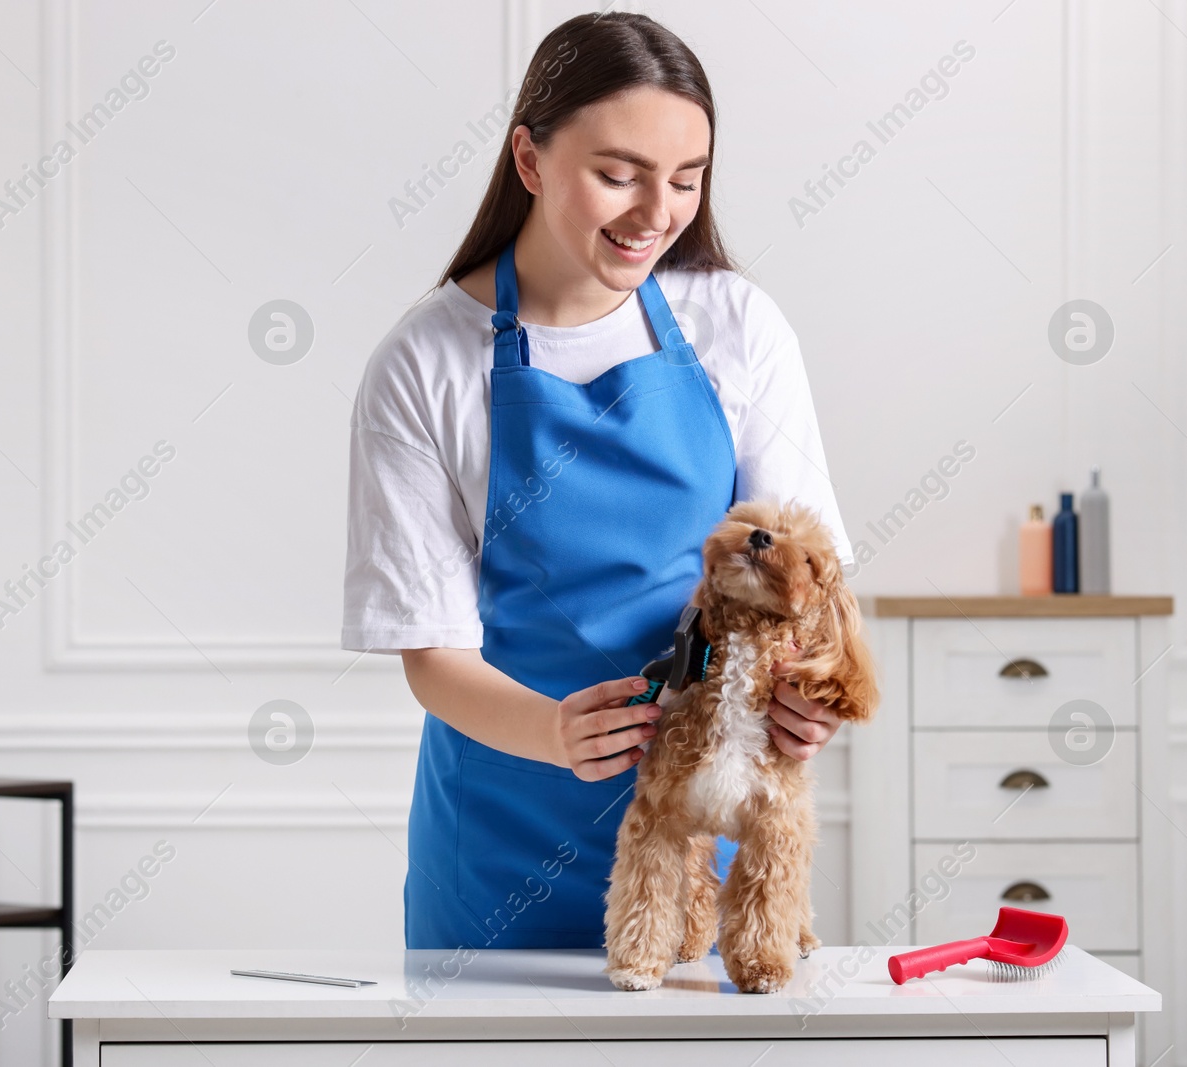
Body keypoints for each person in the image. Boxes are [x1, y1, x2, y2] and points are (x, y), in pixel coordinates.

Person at [341, 11, 852, 951]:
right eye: (618, 174)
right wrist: (556, 736)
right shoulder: (424, 364)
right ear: (529, 161)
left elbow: (806, 578)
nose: (656, 212)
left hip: (703, 844)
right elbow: (430, 651)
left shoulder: (737, 326)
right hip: (496, 859)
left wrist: (808, 698)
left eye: (686, 180)